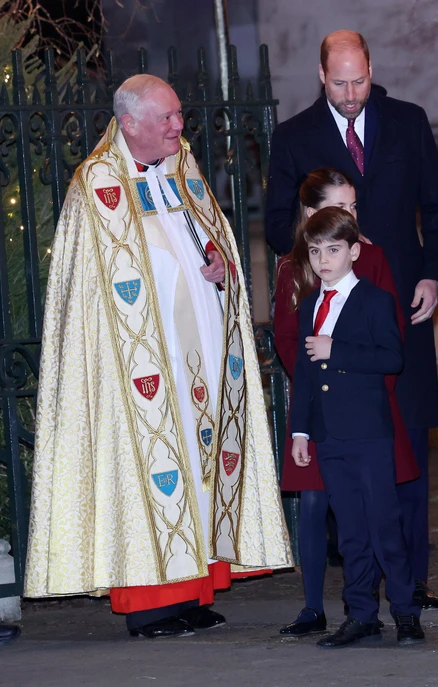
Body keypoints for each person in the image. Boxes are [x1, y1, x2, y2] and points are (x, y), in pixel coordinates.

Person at [24, 75, 293, 638]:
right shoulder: (96, 184)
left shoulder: (183, 168)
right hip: (136, 368)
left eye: (179, 115)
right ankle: (149, 605)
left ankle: (192, 591)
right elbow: (87, 295)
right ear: (129, 123)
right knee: (150, 473)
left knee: (197, 469)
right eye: (168, 118)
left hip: (196, 355)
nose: (180, 127)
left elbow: (208, 238)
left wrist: (221, 264)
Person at [265, 30, 438, 610]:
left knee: (410, 443)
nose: (351, 93)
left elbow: (436, 207)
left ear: (372, 67)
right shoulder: (294, 136)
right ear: (322, 76)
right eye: (340, 83)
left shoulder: (409, 120)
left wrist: (431, 275)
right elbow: (275, 224)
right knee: (347, 450)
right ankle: (357, 587)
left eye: (360, 80)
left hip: (405, 307)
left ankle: (414, 582)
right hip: (333, 314)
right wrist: (319, 246)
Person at [273, 168, 419, 637]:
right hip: (330, 437)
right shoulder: (312, 303)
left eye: (332, 250)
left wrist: (338, 351)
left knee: (384, 527)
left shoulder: (374, 300)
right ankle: (360, 615)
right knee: (351, 533)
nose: (322, 259)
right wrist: (299, 431)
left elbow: (393, 358)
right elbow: (309, 376)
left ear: (354, 252)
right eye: (314, 251)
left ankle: (405, 611)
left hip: (370, 433)